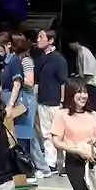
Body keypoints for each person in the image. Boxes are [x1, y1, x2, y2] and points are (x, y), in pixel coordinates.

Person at [2, 32, 42, 182]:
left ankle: (32, 169)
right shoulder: (12, 61)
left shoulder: (25, 61)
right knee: (23, 136)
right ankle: (33, 167)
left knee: (26, 135)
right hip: (19, 99)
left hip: (26, 100)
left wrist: (17, 77)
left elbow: (29, 82)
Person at [34, 28, 69, 174]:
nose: (38, 40)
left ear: (50, 40)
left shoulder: (59, 59)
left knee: (60, 133)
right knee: (46, 134)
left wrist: (62, 101)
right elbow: (37, 81)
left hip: (56, 101)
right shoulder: (40, 58)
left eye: (41, 37)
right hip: (42, 100)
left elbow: (63, 82)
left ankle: (65, 162)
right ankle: (51, 162)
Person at [69, 38, 96, 115]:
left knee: (94, 108)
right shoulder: (80, 52)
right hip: (89, 84)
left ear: (75, 43)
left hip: (94, 84)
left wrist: (81, 85)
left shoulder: (85, 52)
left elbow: (89, 74)